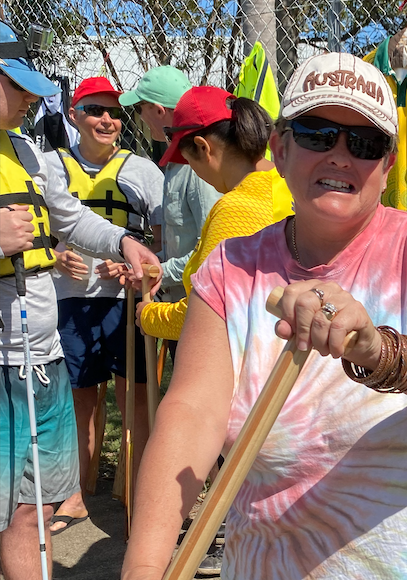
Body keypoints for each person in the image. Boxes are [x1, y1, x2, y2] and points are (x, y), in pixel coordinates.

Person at [122, 52, 407, 580]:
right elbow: (192, 410)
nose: (341, 155)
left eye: (365, 143)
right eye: (317, 134)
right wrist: (145, 564)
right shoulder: (231, 267)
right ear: (280, 150)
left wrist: (381, 351)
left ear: (387, 164)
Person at [0, 20, 161, 580]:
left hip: (41, 357)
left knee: (34, 508)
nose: (27, 100)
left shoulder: (28, 153)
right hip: (3, 361)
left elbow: (69, 216)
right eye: (15, 86)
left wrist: (124, 241)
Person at [42, 76, 164, 535]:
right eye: (95, 110)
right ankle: (77, 494)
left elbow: (164, 239)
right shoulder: (49, 165)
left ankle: (140, 491)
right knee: (80, 399)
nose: (107, 119)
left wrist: (138, 268)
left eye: (113, 112)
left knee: (133, 396)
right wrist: (54, 253)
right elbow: (40, 228)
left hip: (125, 300)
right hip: (67, 300)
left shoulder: (142, 171)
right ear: (74, 115)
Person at [137, 85, 292, 341]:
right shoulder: (286, 183)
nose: (196, 172)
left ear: (202, 147)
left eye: (189, 161)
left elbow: (205, 313)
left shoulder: (236, 209)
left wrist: (149, 316)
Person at [119, 66, 220, 309]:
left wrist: (158, 271)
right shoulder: (176, 163)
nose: (140, 117)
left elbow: (210, 250)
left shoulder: (198, 165)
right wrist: (148, 264)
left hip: (198, 308)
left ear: (158, 110)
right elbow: (180, 247)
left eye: (140, 108)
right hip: (176, 303)